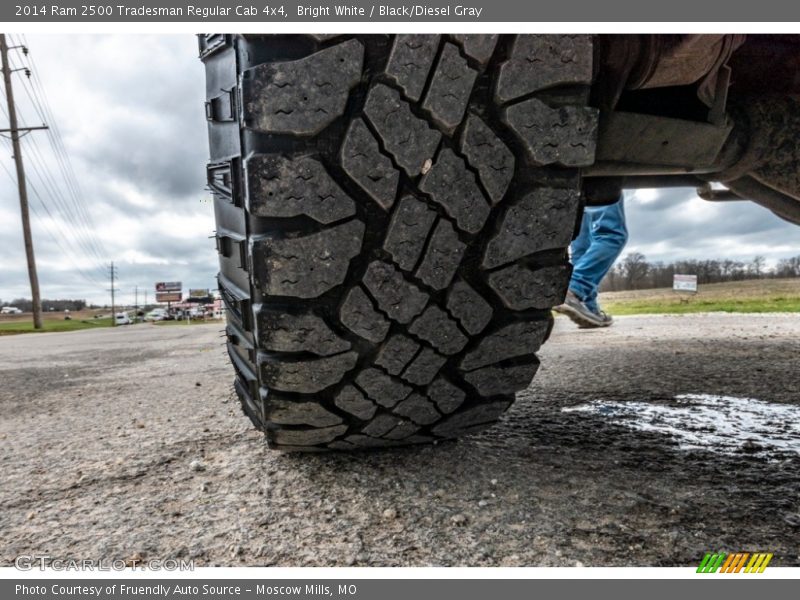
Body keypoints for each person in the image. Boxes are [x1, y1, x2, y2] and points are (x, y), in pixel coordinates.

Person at [555, 194, 628, 328]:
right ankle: (573, 289)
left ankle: (589, 309)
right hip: (602, 178)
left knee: (581, 247)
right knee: (612, 235)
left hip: (575, 184)